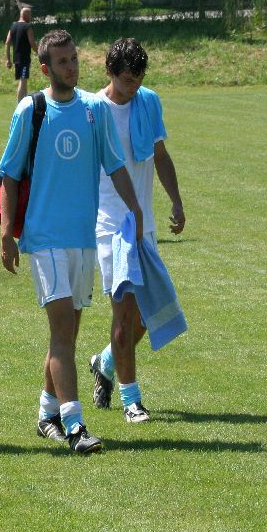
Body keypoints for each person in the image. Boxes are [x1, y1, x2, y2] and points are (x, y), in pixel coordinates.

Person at [0, 29, 143, 455]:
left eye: (75, 58)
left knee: (68, 334)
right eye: (62, 61)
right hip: (44, 238)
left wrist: (136, 210)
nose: (72, 67)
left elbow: (115, 166)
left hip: (83, 238)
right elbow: (9, 174)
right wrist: (6, 234)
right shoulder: (31, 110)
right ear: (45, 68)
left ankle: (47, 414)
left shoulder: (95, 109)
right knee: (62, 329)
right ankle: (76, 426)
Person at [86, 38, 186, 423]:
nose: (134, 87)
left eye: (139, 79)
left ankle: (105, 361)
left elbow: (160, 155)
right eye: (128, 80)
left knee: (146, 316)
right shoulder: (93, 109)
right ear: (110, 73)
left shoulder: (149, 102)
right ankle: (132, 401)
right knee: (125, 317)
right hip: (110, 226)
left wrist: (176, 202)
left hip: (144, 225)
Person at [5, 6, 37, 102]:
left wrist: (8, 59)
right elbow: (32, 43)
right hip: (24, 59)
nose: (31, 17)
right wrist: (40, 52)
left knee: (23, 81)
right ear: (26, 15)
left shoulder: (13, 26)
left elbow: (7, 43)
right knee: (23, 81)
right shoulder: (28, 27)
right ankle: (20, 104)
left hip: (16, 59)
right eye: (30, 15)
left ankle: (23, 103)